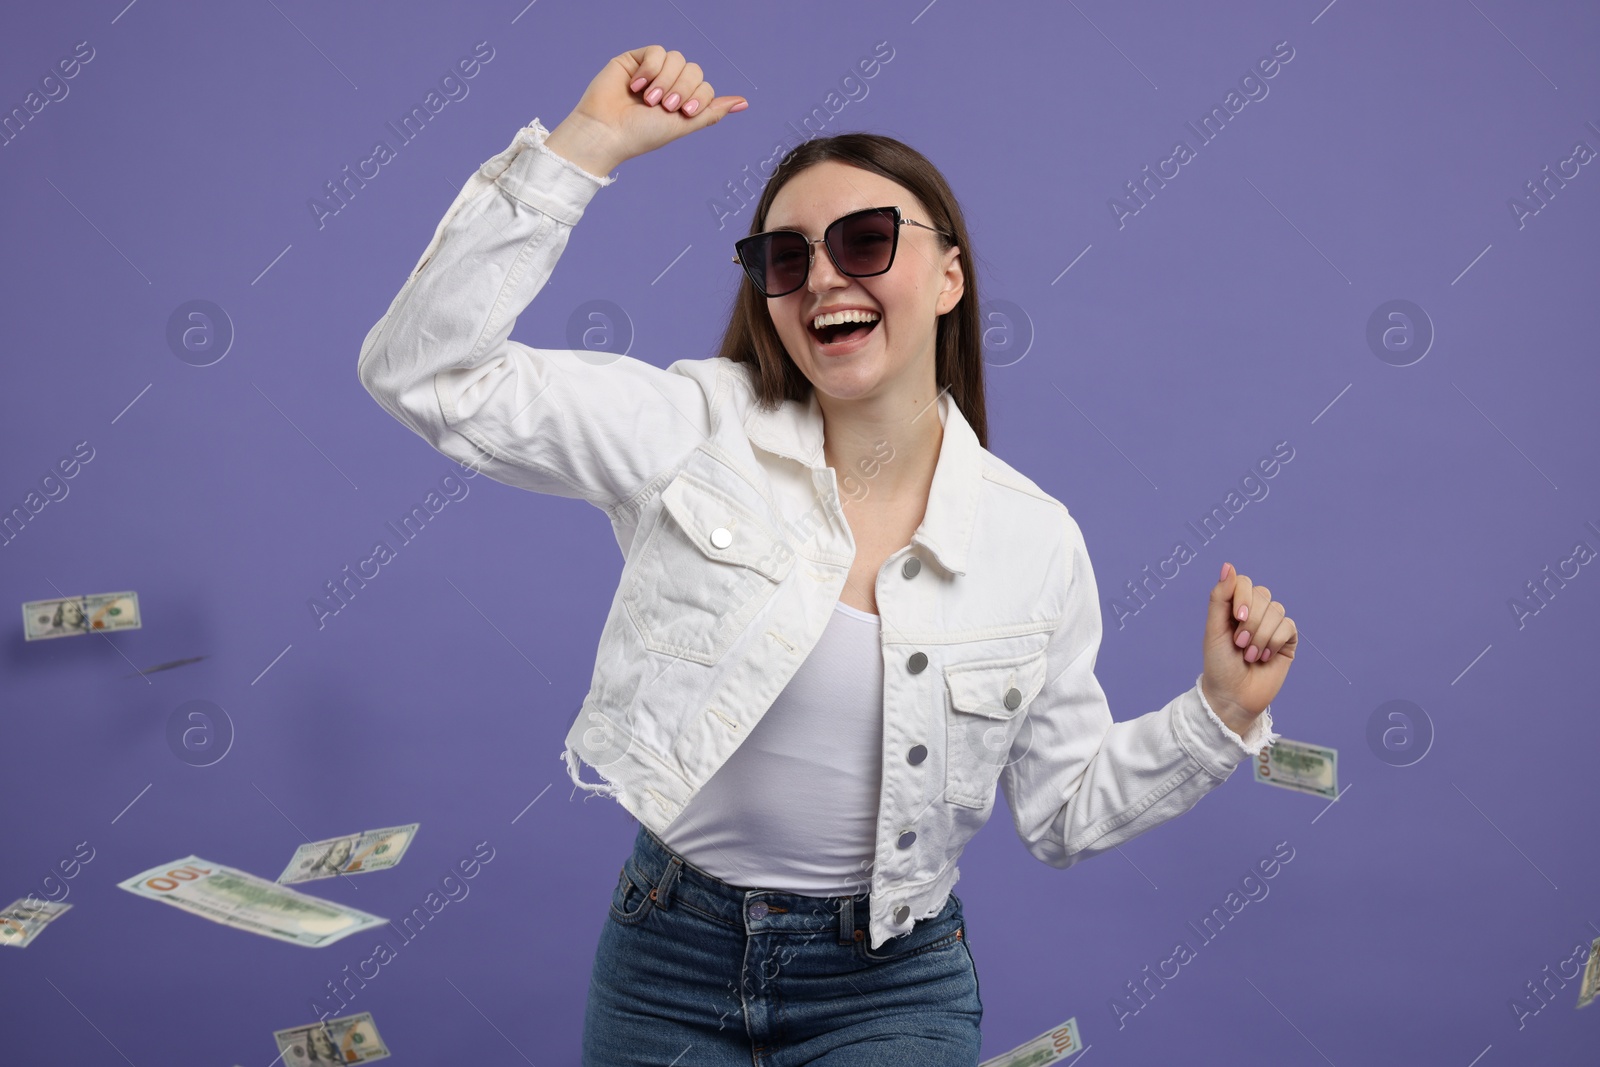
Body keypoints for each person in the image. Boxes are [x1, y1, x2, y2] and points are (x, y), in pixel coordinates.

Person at [357, 44, 1298, 1067]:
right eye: (784, 257)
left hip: (889, 983)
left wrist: (1220, 715)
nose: (820, 278)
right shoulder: (692, 430)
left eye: (864, 241)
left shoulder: (1032, 541)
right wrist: (585, 147)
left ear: (948, 277)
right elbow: (425, 373)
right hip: (666, 956)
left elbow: (1063, 811)